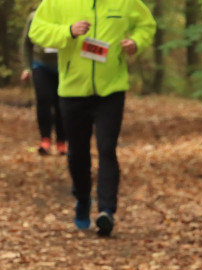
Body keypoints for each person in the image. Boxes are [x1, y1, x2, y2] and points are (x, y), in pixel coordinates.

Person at [28, 0, 156, 236]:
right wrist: (67, 31)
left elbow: (147, 25)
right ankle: (83, 198)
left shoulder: (126, 2)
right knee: (78, 152)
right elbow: (36, 30)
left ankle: (106, 210)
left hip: (112, 89)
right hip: (73, 90)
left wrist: (136, 42)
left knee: (107, 148)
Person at [21, 9, 66, 156]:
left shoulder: (67, 15)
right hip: (40, 65)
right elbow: (26, 44)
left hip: (63, 67)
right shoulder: (34, 17)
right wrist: (27, 67)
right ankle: (45, 139)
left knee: (61, 104)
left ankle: (61, 141)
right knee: (44, 100)